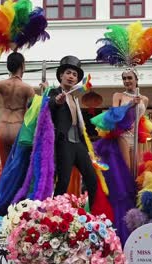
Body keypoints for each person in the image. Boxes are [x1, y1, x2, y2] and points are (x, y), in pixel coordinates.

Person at [48, 55, 97, 207]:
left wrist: (88, 149)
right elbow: (49, 105)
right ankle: (54, 212)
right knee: (63, 181)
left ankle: (95, 212)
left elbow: (79, 125)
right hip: (64, 143)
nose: (71, 77)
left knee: (92, 179)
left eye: (75, 75)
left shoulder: (75, 98)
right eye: (68, 73)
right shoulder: (55, 93)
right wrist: (57, 101)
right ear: (61, 75)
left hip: (78, 144)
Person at [0, 51, 35, 166]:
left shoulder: (0, 84)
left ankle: (4, 184)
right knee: (18, 167)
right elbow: (35, 111)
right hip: (18, 129)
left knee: (5, 166)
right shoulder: (27, 88)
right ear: (23, 66)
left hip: (3, 129)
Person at [112, 69, 149, 172]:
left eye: (129, 78)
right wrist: (130, 105)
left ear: (136, 80)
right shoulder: (118, 96)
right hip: (122, 135)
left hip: (135, 137)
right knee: (126, 167)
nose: (126, 81)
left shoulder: (144, 99)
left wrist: (150, 131)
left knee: (135, 170)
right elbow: (114, 115)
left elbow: (141, 119)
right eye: (124, 78)